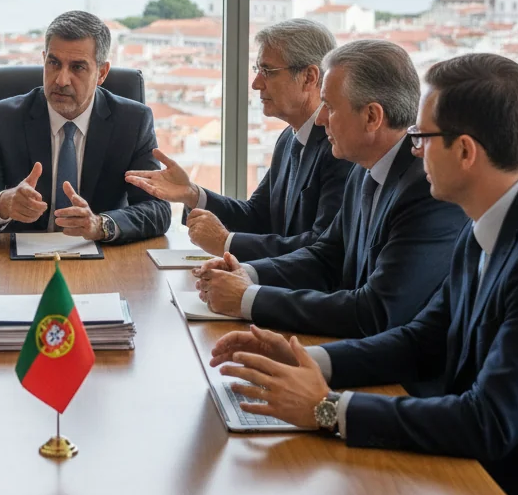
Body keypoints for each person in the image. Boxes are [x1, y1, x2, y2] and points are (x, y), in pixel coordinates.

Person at [209, 53, 518, 495]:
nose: (414, 152)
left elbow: (489, 421)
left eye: (422, 138)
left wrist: (327, 409)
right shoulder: (485, 219)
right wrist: (306, 359)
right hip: (465, 483)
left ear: (465, 151)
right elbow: (424, 338)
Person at [194, 39, 466, 337]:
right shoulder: (363, 169)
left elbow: (375, 312)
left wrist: (248, 299)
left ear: (372, 117)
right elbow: (326, 257)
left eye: (330, 107)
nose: (321, 119)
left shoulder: (426, 190)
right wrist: (247, 273)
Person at [126, 18, 352, 257]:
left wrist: (226, 243)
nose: (256, 84)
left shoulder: (339, 147)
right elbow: (257, 216)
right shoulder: (289, 137)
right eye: (258, 70)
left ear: (309, 77)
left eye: (268, 71)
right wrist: (191, 193)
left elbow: (321, 249)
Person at [0, 10, 171, 243]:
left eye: (77, 67)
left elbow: (157, 211)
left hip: (102, 262)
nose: (61, 80)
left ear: (102, 73)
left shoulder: (132, 121)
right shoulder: (3, 119)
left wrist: (101, 225)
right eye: (54, 63)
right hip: (20, 266)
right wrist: (3, 204)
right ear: (44, 59)